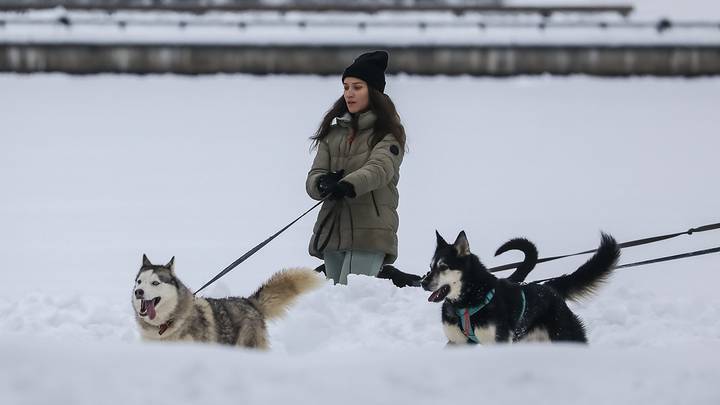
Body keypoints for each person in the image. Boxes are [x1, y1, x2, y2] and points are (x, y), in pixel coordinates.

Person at [306, 50, 406, 285]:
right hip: (331, 232)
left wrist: (347, 185)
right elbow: (314, 174)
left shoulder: (389, 134)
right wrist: (322, 183)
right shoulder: (332, 133)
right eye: (346, 87)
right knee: (333, 303)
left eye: (357, 87)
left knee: (355, 300)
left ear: (373, 91)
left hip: (370, 233)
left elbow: (380, 169)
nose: (349, 94)